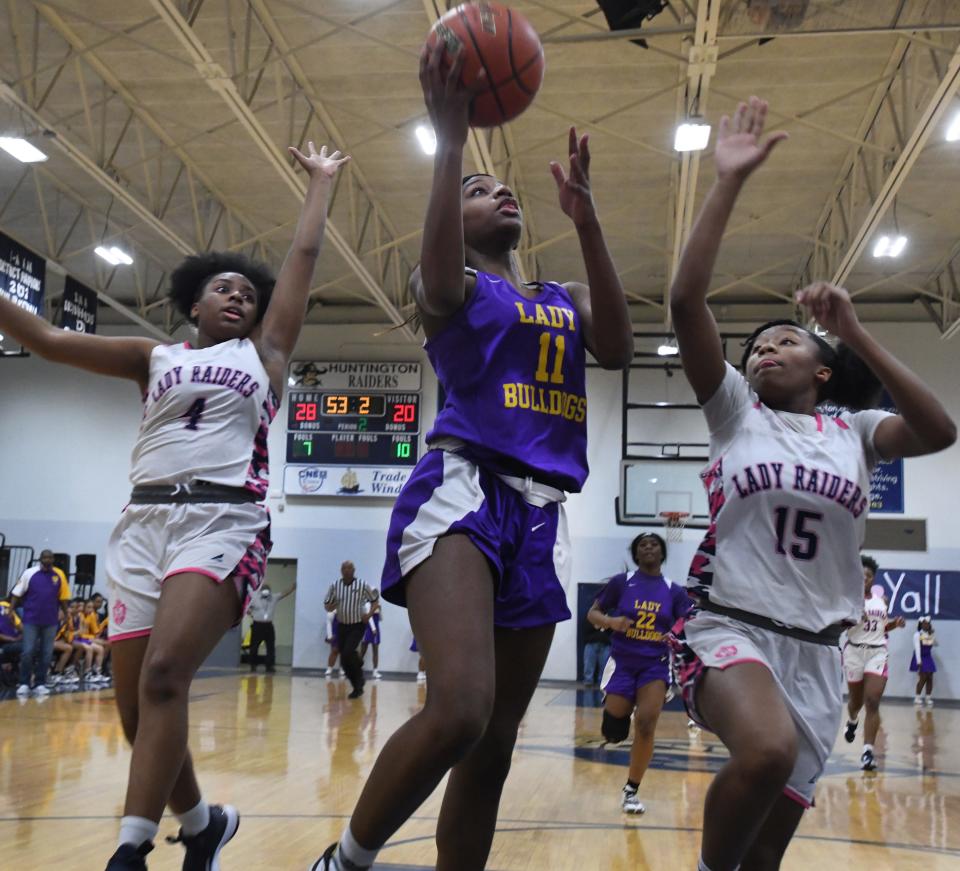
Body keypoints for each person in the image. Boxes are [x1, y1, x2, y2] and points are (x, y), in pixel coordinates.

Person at [311, 40, 632, 871]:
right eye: (479, 192)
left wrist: (587, 217)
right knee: (459, 708)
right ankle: (344, 860)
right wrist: (450, 139)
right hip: (462, 488)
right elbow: (440, 280)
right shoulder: (451, 288)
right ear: (455, 219)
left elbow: (621, 347)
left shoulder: (558, 296)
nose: (502, 193)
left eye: (505, 187)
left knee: (492, 743)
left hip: (542, 509)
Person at [0, 139, 348, 871]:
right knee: (137, 711)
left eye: (248, 295)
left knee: (165, 679)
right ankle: (201, 823)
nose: (239, 297)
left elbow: (303, 262)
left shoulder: (266, 357)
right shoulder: (154, 357)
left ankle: (129, 848)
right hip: (141, 524)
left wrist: (320, 184)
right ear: (194, 303)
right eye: (224, 288)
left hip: (224, 519)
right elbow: (45, 336)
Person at [668, 96, 955, 871]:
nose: (764, 348)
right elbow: (685, 301)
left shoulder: (854, 432)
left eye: (785, 339)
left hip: (820, 654)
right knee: (762, 750)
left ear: (823, 372)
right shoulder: (734, 413)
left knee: (766, 854)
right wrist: (726, 183)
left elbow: (939, 430)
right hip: (729, 627)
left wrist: (858, 329)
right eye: (756, 343)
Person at [588, 533, 692, 813]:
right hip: (622, 661)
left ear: (663, 553)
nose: (648, 547)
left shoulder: (673, 590)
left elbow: (689, 620)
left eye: (654, 544)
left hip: (654, 664)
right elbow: (593, 614)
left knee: (646, 723)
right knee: (614, 733)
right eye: (643, 545)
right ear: (636, 554)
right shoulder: (622, 583)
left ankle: (631, 790)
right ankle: (612, 709)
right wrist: (611, 621)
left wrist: (677, 633)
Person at [842, 554, 905, 770]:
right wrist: (853, 617)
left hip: (877, 652)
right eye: (861, 575)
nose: (865, 578)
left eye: (868, 576)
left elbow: (881, 627)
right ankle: (852, 720)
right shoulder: (847, 599)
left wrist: (894, 624)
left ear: (873, 579)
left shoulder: (882, 601)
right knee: (856, 703)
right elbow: (838, 625)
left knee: (873, 701)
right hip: (854, 652)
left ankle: (868, 752)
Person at [11, 549, 71, 697]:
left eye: (50, 557)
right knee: (28, 652)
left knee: (46, 653)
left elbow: (63, 597)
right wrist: (10, 609)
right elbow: (17, 592)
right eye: (45, 557)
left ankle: (40, 683)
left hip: (50, 620)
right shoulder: (29, 573)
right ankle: (24, 683)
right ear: (40, 559)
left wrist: (66, 613)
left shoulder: (59, 575)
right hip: (31, 619)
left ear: (53, 559)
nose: (48, 559)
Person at [324, 561, 378, 698]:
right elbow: (327, 605)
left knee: (348, 653)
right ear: (341, 571)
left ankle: (358, 682)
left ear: (354, 570)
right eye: (344, 568)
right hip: (342, 626)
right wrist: (331, 606)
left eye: (349, 568)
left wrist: (370, 614)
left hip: (357, 625)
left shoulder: (362, 585)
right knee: (344, 660)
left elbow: (375, 600)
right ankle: (358, 682)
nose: (347, 570)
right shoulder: (335, 586)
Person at [246, 581, 296, 673]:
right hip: (257, 625)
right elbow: (246, 607)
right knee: (254, 647)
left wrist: (292, 588)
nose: (266, 591)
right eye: (264, 589)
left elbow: (284, 593)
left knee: (270, 647)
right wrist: (250, 613)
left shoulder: (273, 597)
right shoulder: (255, 597)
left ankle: (269, 666)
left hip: (268, 626)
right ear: (261, 590)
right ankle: (253, 665)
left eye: (267, 589)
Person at [910, 616, 937, 707]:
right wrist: (918, 661)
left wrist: (931, 635)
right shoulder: (917, 634)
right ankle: (917, 698)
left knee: (930, 677)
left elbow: (935, 644)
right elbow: (917, 648)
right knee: (923, 677)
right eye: (925, 623)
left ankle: (928, 697)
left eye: (928, 623)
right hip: (921, 657)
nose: (927, 625)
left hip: (928, 657)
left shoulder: (929, 633)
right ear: (921, 624)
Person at [581, 606, 610, 687]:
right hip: (591, 643)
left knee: (604, 665)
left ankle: (603, 681)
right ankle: (588, 680)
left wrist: (603, 624)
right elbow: (586, 629)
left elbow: (610, 629)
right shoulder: (589, 616)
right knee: (588, 664)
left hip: (605, 644)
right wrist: (600, 625)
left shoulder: (608, 616)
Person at [0, 598, 23, 686]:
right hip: (4, 644)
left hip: (14, 641)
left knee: (32, 646)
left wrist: (23, 635)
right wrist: (13, 639)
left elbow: (21, 627)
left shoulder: (6, 605)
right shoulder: (6, 605)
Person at [359, 596, 383, 680]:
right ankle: (357, 668)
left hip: (376, 628)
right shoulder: (367, 605)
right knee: (363, 650)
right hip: (368, 628)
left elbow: (380, 619)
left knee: (375, 650)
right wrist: (373, 629)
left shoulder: (377, 605)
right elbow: (369, 618)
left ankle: (375, 671)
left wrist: (380, 610)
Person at [324, 612, 342, 679]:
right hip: (335, 632)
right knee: (334, 650)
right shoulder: (331, 612)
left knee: (343, 652)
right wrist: (329, 636)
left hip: (345, 631)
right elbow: (328, 624)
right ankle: (329, 668)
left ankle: (342, 669)